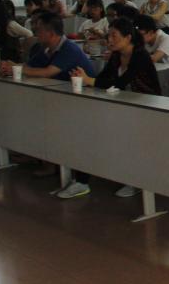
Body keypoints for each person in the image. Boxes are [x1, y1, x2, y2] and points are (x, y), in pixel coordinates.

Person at [63, 17, 160, 199]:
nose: (110, 40)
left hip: (147, 109)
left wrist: (90, 81)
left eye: (114, 36)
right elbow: (104, 78)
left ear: (128, 37)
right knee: (87, 130)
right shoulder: (116, 56)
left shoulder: (140, 56)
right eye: (109, 36)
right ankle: (82, 182)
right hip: (122, 106)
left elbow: (121, 83)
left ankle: (136, 181)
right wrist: (86, 79)